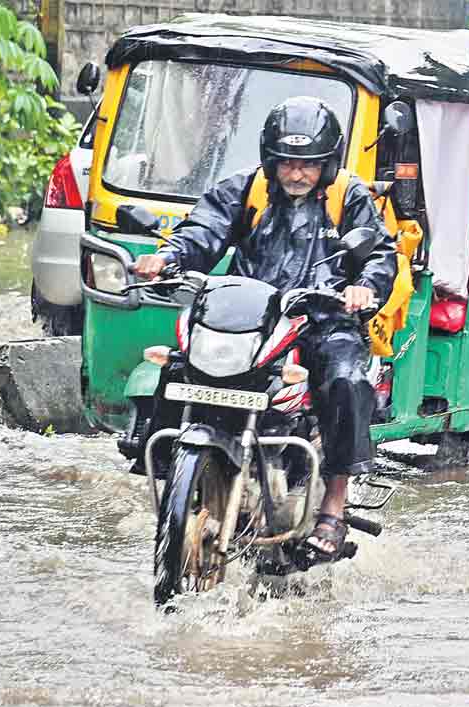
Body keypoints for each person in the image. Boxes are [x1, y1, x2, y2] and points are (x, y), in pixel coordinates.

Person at [132, 96, 397, 561]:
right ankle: (165, 466)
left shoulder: (348, 196)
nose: (297, 173)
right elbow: (203, 230)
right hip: (252, 317)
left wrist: (364, 286)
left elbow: (379, 253)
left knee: (345, 379)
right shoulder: (246, 189)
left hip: (322, 318)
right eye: (287, 163)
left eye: (308, 165)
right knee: (177, 365)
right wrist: (169, 256)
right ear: (271, 160)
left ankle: (334, 505)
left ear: (327, 164)